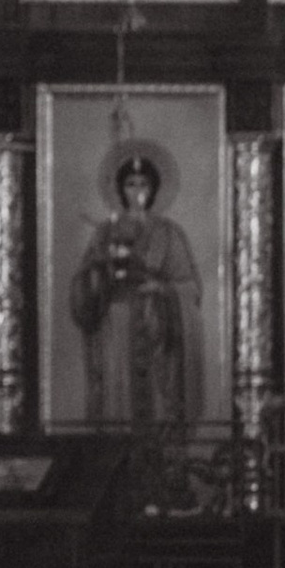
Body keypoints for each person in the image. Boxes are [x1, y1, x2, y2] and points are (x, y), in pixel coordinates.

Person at [70, 142, 201, 429]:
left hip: (154, 325)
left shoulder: (169, 234)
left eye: (144, 184)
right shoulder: (105, 232)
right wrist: (101, 272)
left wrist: (160, 288)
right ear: (121, 189)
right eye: (131, 184)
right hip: (115, 327)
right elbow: (85, 283)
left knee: (154, 402)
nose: (137, 190)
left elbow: (189, 287)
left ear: (154, 189)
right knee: (118, 398)